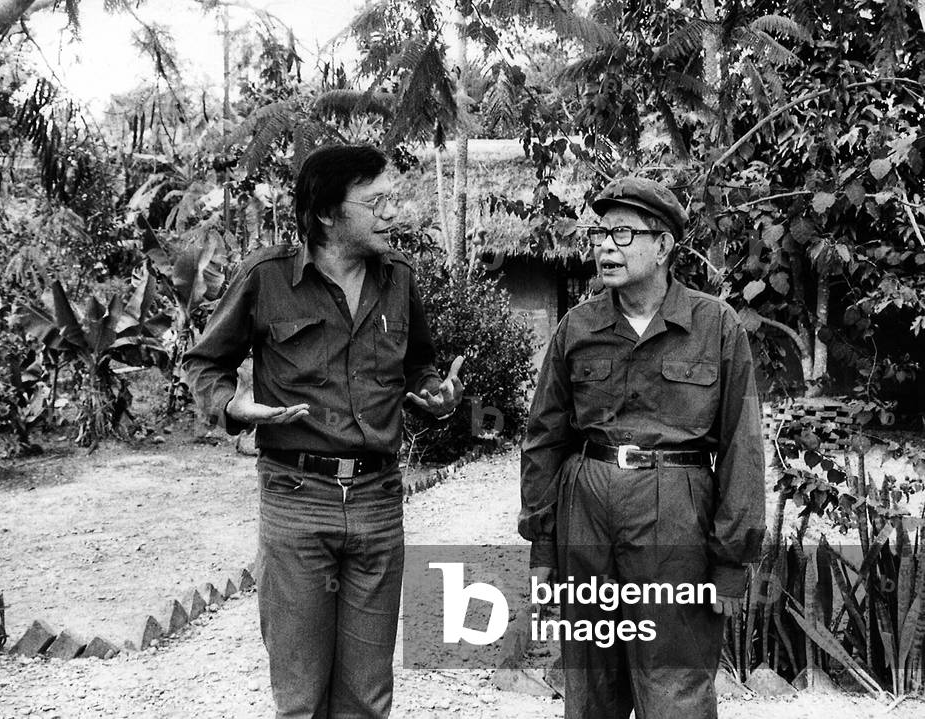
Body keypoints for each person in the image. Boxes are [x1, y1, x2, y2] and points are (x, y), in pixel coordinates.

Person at [183, 143, 463, 718]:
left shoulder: (399, 281)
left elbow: (419, 368)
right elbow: (203, 363)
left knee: (367, 698)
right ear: (329, 213)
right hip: (296, 501)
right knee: (301, 697)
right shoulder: (267, 279)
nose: (393, 213)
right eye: (376, 201)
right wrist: (233, 408)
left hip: (380, 502)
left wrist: (437, 396)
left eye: (392, 199)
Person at [519, 176, 765, 718]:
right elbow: (544, 438)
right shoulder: (576, 328)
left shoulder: (716, 325)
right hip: (587, 513)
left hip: (676, 516)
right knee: (590, 691)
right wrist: (542, 547)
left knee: (675, 688)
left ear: (663, 246)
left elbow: (742, 446)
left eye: (625, 233)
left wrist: (730, 563)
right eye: (602, 232)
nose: (607, 245)